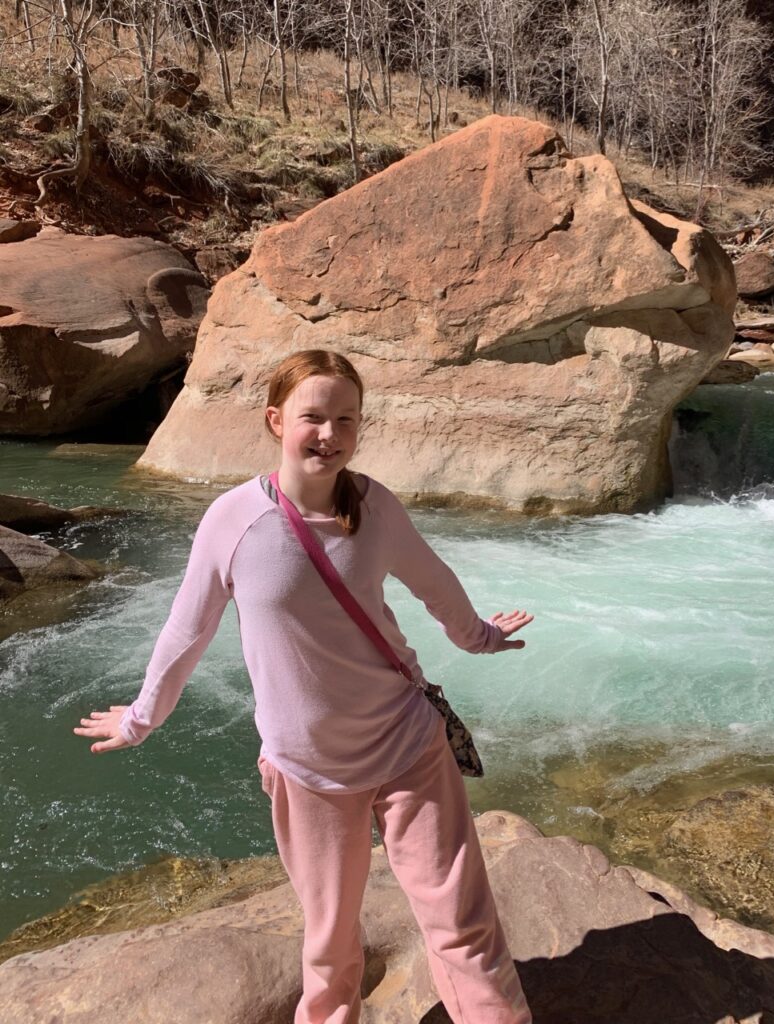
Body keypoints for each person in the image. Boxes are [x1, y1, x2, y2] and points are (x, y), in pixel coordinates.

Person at [74, 348, 534, 1024]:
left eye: (346, 419)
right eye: (312, 417)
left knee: (463, 925)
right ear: (275, 420)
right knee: (329, 945)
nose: (330, 434)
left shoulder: (375, 506)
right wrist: (140, 719)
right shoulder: (234, 521)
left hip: (408, 744)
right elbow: (185, 632)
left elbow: (435, 585)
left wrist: (479, 636)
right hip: (309, 771)